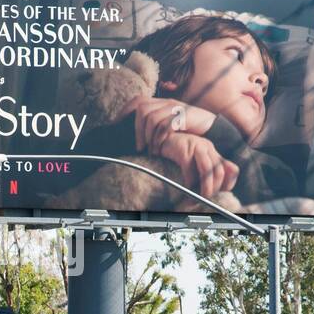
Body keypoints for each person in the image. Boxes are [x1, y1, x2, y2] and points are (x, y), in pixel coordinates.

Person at [71, 15, 299, 204]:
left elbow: (284, 205)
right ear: (172, 72)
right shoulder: (108, 132)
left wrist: (214, 128)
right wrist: (142, 136)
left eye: (266, 87)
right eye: (238, 55)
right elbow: (54, 178)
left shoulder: (273, 169)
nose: (261, 80)